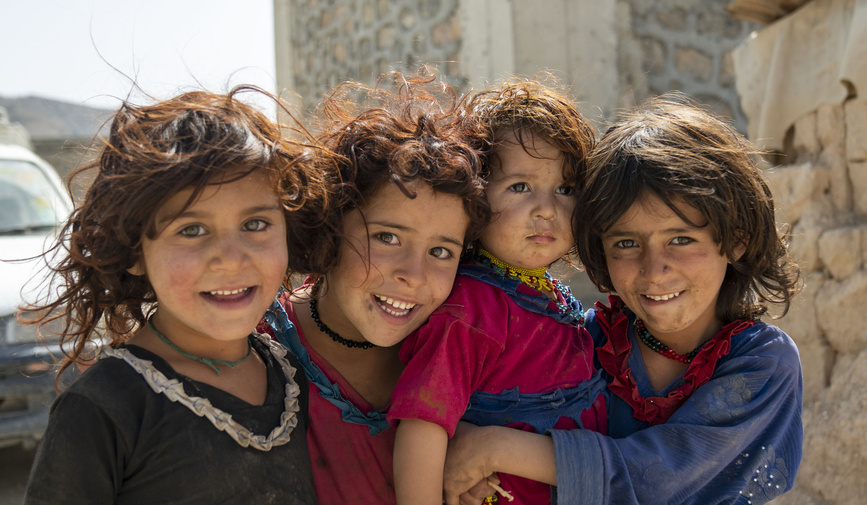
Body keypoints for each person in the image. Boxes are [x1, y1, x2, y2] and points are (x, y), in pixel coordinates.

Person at [441, 93, 804, 505]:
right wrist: (464, 443)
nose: (654, 269)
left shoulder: (763, 362)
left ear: (735, 240)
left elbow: (666, 477)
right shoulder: (585, 342)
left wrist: (494, 450)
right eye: (627, 243)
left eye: (681, 239)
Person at [22, 87, 325, 504]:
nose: (230, 259)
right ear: (134, 252)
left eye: (255, 224)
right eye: (192, 230)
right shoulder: (104, 407)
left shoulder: (292, 374)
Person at [260, 71, 492, 505]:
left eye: (442, 251)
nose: (414, 275)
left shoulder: (465, 356)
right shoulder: (253, 353)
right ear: (331, 224)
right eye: (387, 238)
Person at [388, 78, 607, 505]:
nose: (547, 209)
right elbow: (423, 422)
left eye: (564, 190)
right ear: (476, 198)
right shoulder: (473, 309)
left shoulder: (550, 297)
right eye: (520, 187)